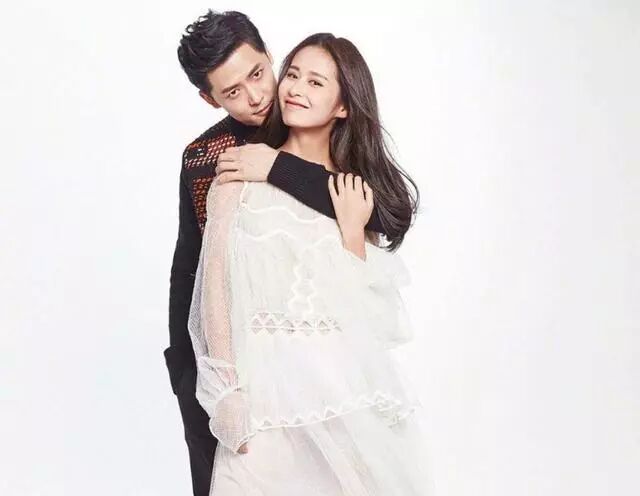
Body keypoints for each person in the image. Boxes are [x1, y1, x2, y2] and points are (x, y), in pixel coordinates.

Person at [188, 32, 431, 495]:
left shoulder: (352, 193)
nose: (296, 89)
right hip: (262, 404)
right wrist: (226, 392)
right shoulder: (237, 173)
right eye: (293, 75)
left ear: (343, 106)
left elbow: (364, 315)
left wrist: (353, 232)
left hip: (340, 395)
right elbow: (215, 290)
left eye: (316, 82)